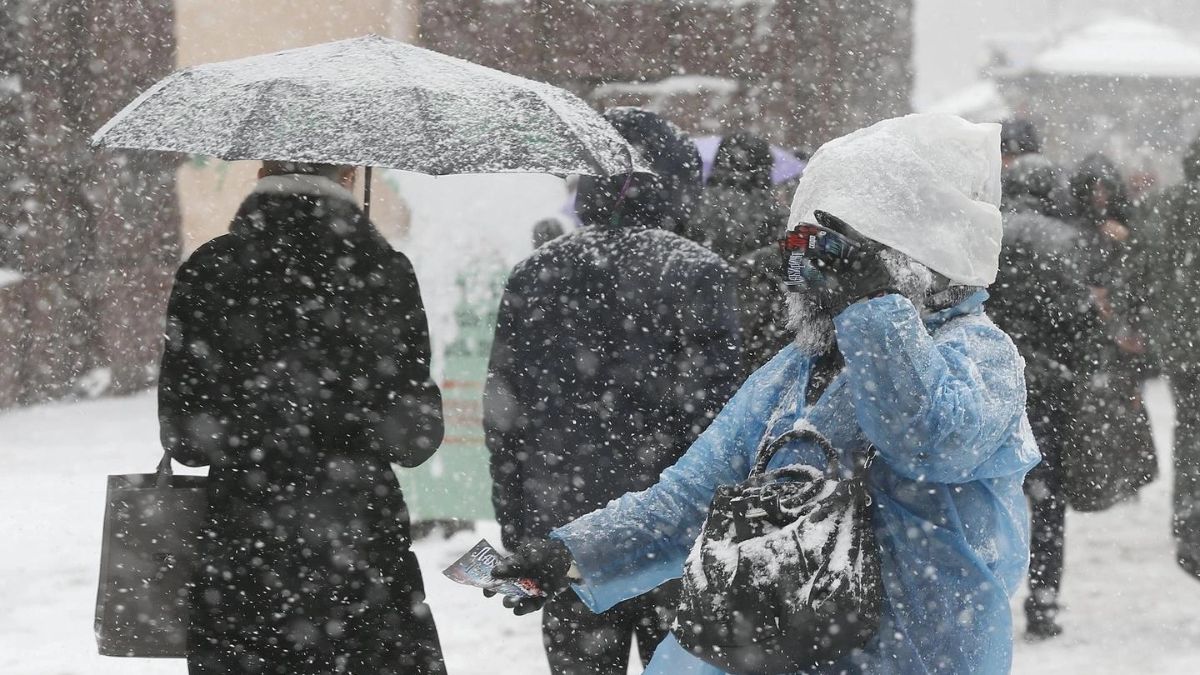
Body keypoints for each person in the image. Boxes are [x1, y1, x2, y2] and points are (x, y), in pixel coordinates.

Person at [491, 113, 1040, 673]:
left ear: (909, 265)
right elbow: (688, 500)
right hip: (781, 648)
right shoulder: (798, 369)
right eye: (799, 250)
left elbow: (926, 437)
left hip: (918, 652)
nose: (803, 276)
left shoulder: (978, 353)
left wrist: (871, 310)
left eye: (831, 256)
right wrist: (571, 555)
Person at [158, 161, 446, 674]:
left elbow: (186, 439)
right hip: (361, 563)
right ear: (348, 176)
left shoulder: (209, 270)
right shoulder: (383, 271)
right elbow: (415, 440)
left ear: (262, 171)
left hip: (243, 564)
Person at [484, 107, 741, 674]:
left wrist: (520, 533)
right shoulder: (701, 273)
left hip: (565, 536)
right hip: (673, 538)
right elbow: (722, 426)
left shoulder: (535, 274)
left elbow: (505, 420)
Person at [991, 153, 1099, 639]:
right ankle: (1043, 600)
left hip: (991, 375)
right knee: (1048, 497)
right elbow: (1081, 317)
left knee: (988, 490)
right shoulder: (1065, 240)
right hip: (1049, 383)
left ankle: (986, 599)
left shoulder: (984, 234)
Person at [686, 132, 791, 377]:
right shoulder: (774, 212)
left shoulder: (693, 204)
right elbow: (793, 253)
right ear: (764, 166)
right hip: (759, 324)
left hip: (700, 317)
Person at [1146, 135, 1200, 578]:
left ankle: (1189, 514)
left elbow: (1147, 266)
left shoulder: (1165, 204)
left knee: (1189, 426)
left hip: (1180, 341)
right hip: (1182, 333)